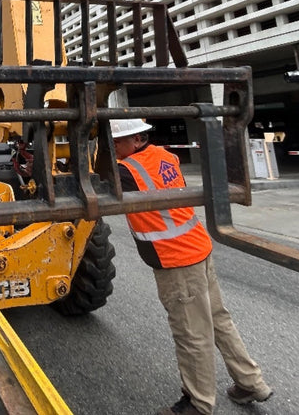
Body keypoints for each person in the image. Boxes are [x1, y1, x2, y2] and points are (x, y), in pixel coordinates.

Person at [110, 118, 273, 415]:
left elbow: (96, 186)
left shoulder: (128, 170)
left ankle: (198, 404)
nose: (113, 148)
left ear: (136, 141)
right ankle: (251, 382)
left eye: (116, 142)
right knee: (218, 320)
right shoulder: (166, 156)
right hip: (197, 246)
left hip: (176, 261)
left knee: (191, 334)